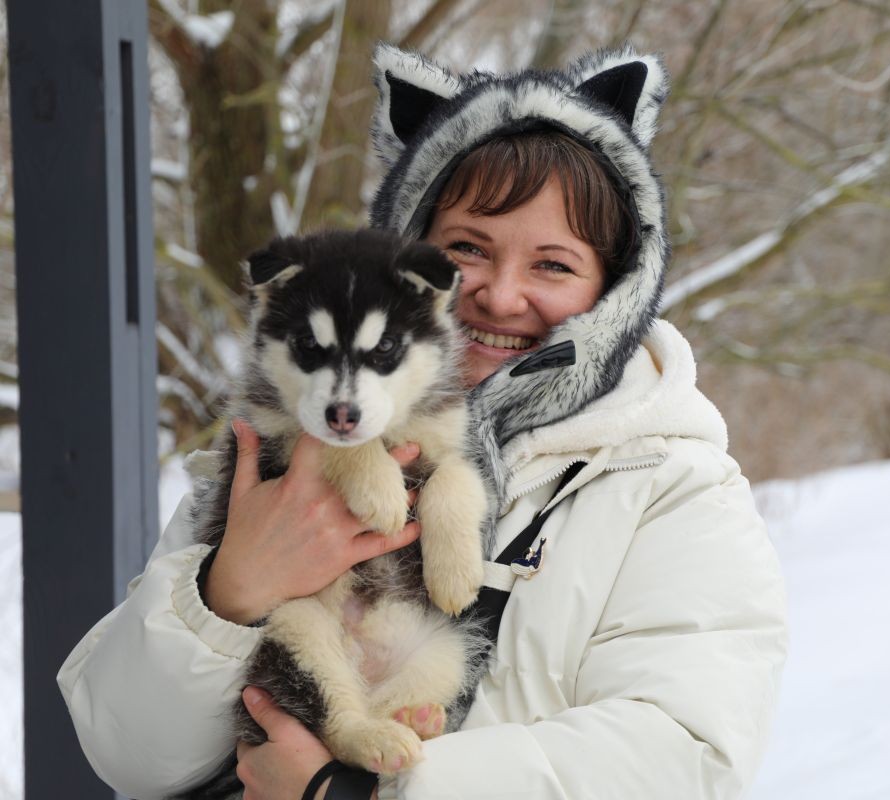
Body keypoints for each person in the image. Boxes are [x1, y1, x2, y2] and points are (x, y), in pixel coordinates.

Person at [58, 45, 788, 800]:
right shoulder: (290, 444)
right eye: (467, 248)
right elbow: (128, 754)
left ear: (615, 288)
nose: (500, 296)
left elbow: (686, 756)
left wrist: (368, 792)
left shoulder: (667, 484)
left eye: (553, 265)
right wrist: (227, 593)